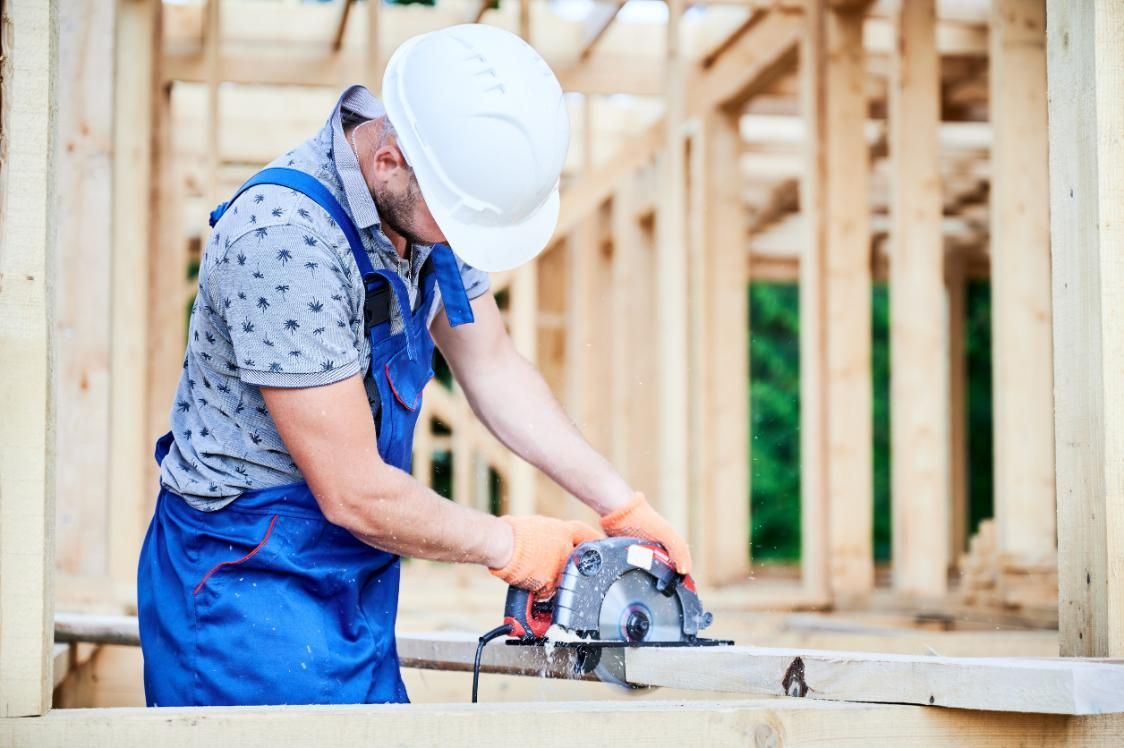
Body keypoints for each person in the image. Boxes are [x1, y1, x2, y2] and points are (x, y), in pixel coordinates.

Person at [137, 24, 690, 707]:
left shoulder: (431, 195)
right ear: (389, 158)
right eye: (454, 219)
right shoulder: (285, 241)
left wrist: (620, 504)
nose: (460, 239)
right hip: (243, 583)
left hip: (353, 573)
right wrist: (510, 544)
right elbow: (355, 492)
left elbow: (492, 367)